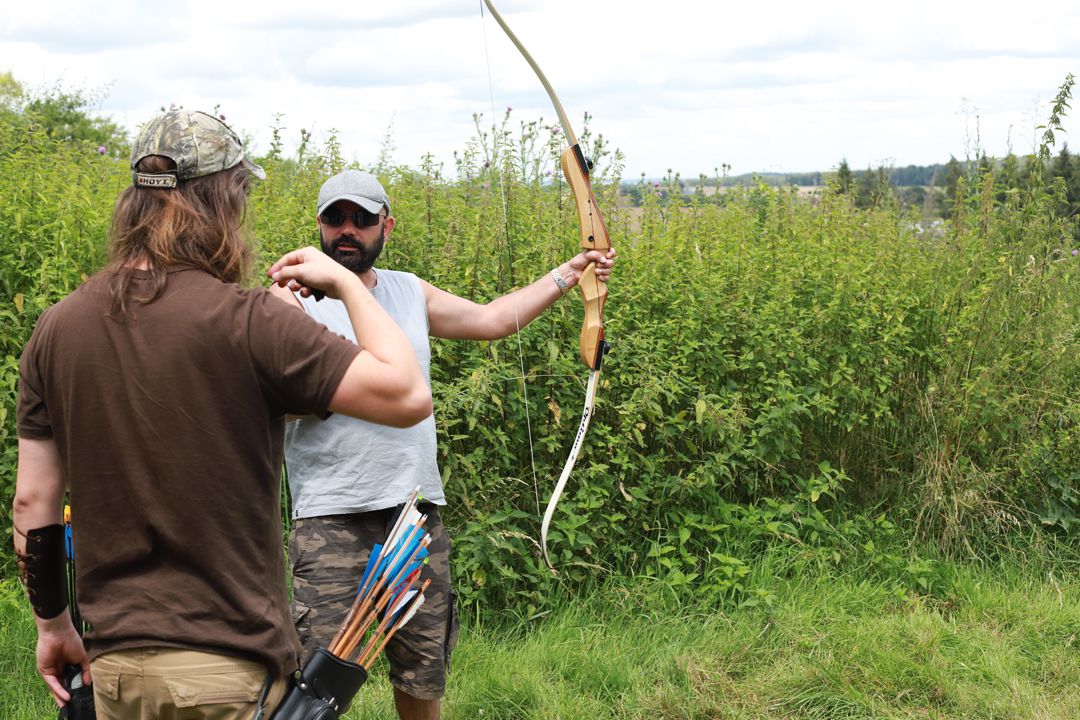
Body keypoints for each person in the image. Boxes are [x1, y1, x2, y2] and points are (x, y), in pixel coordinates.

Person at [13, 111, 432, 719]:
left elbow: (33, 505)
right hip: (228, 671)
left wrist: (51, 625)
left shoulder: (57, 327)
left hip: (113, 675)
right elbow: (406, 394)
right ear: (224, 200)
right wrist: (344, 283)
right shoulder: (251, 319)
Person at [270, 169, 616, 720]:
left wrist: (569, 274)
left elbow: (492, 318)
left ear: (387, 225)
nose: (347, 230)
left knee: (421, 675)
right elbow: (285, 393)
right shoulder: (288, 300)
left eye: (362, 219)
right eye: (335, 218)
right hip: (332, 521)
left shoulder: (407, 289)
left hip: (414, 516)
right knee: (317, 689)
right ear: (318, 224)